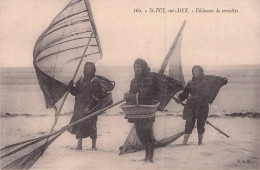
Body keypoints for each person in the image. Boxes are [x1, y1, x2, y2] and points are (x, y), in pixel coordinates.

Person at [124, 58, 159, 163]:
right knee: (140, 133)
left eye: (139, 67)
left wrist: (131, 96)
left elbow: (146, 94)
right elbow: (132, 92)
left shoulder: (148, 78)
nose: (137, 69)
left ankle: (150, 158)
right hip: (138, 110)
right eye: (136, 66)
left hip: (147, 108)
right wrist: (128, 96)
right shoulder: (134, 80)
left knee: (148, 132)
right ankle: (146, 156)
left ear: (143, 67)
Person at [68, 62, 105, 150]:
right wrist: (70, 87)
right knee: (79, 124)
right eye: (86, 68)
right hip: (79, 107)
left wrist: (89, 106)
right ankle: (79, 145)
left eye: (90, 68)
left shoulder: (95, 81)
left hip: (90, 107)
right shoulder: (81, 80)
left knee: (91, 124)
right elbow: (75, 92)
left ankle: (93, 146)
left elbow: (97, 96)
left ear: (93, 70)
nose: (88, 70)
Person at [177, 65, 210, 145]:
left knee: (201, 124)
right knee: (189, 123)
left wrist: (196, 98)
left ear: (201, 72)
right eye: (194, 71)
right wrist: (180, 98)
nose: (195, 73)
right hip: (191, 106)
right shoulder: (190, 82)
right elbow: (185, 93)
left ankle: (200, 142)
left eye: (197, 71)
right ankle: (184, 142)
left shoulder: (204, 82)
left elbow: (205, 94)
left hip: (202, 106)